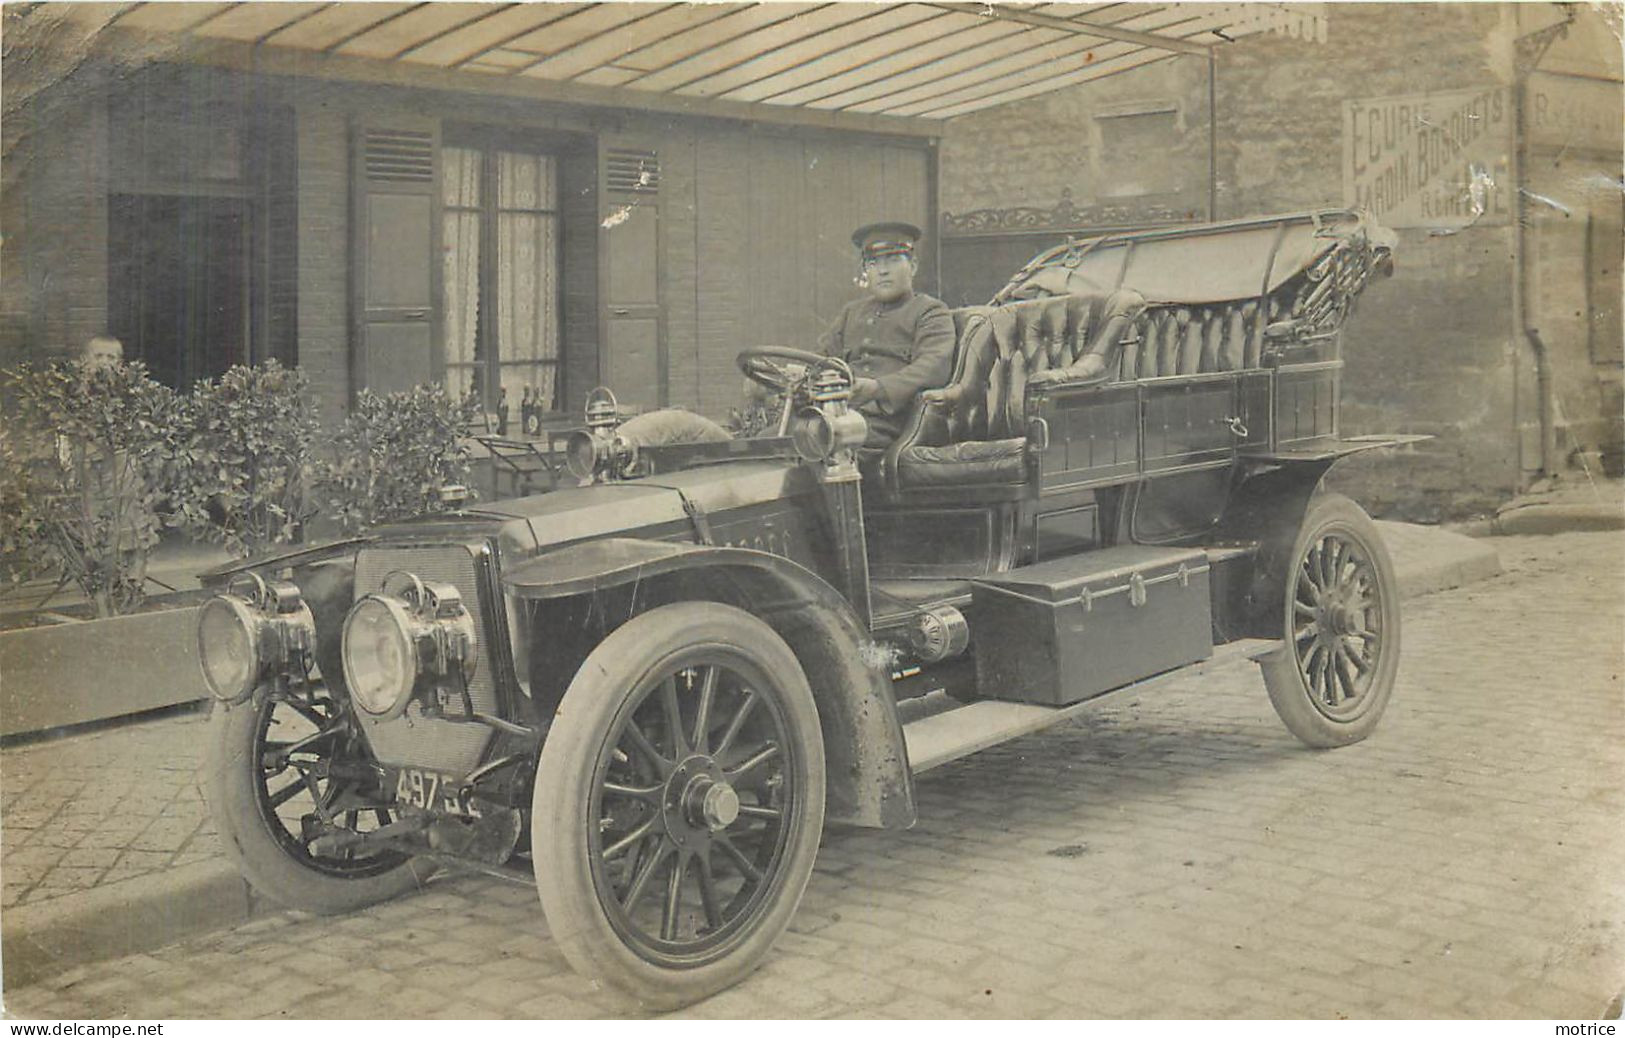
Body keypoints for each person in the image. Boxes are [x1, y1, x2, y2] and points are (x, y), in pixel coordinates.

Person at [821, 221, 955, 448]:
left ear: (912, 266)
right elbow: (821, 360)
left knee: (816, 445)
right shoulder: (850, 313)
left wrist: (877, 388)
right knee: (767, 441)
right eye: (873, 263)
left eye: (893, 260)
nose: (882, 270)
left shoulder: (930, 312)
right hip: (840, 418)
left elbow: (933, 368)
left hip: (892, 426)